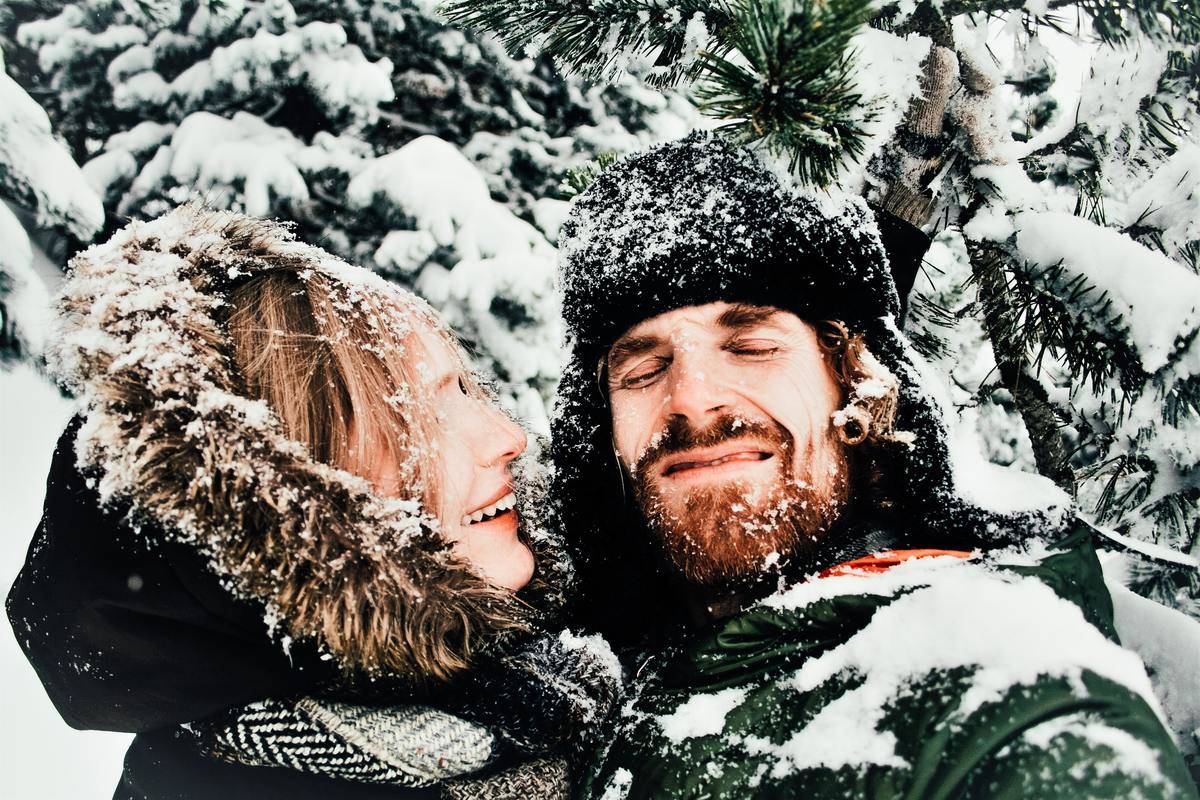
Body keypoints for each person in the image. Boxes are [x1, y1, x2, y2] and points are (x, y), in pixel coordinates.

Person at [550, 133, 1198, 798]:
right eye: (644, 367)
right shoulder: (580, 670)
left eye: (750, 345)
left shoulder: (995, 684)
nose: (688, 396)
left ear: (855, 385)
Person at [7, 205, 616, 799]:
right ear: (295, 494)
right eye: (423, 414)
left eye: (465, 388)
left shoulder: (546, 685)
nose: (507, 437)